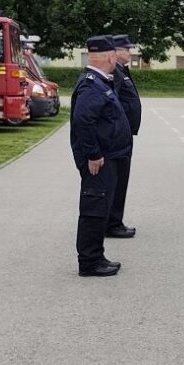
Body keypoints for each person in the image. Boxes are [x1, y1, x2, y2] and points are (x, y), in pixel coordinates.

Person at [70, 35, 132, 277]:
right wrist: (93, 154)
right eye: (115, 56)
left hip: (108, 156)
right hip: (99, 160)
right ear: (110, 57)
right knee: (93, 209)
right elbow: (83, 121)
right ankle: (89, 261)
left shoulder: (99, 82)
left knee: (100, 206)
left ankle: (97, 255)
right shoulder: (91, 84)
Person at [107, 34, 141, 239]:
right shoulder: (114, 73)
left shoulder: (121, 71)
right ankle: (113, 223)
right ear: (115, 51)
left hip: (125, 134)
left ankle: (114, 220)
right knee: (117, 181)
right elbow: (114, 106)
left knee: (120, 180)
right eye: (126, 49)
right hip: (119, 135)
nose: (129, 52)